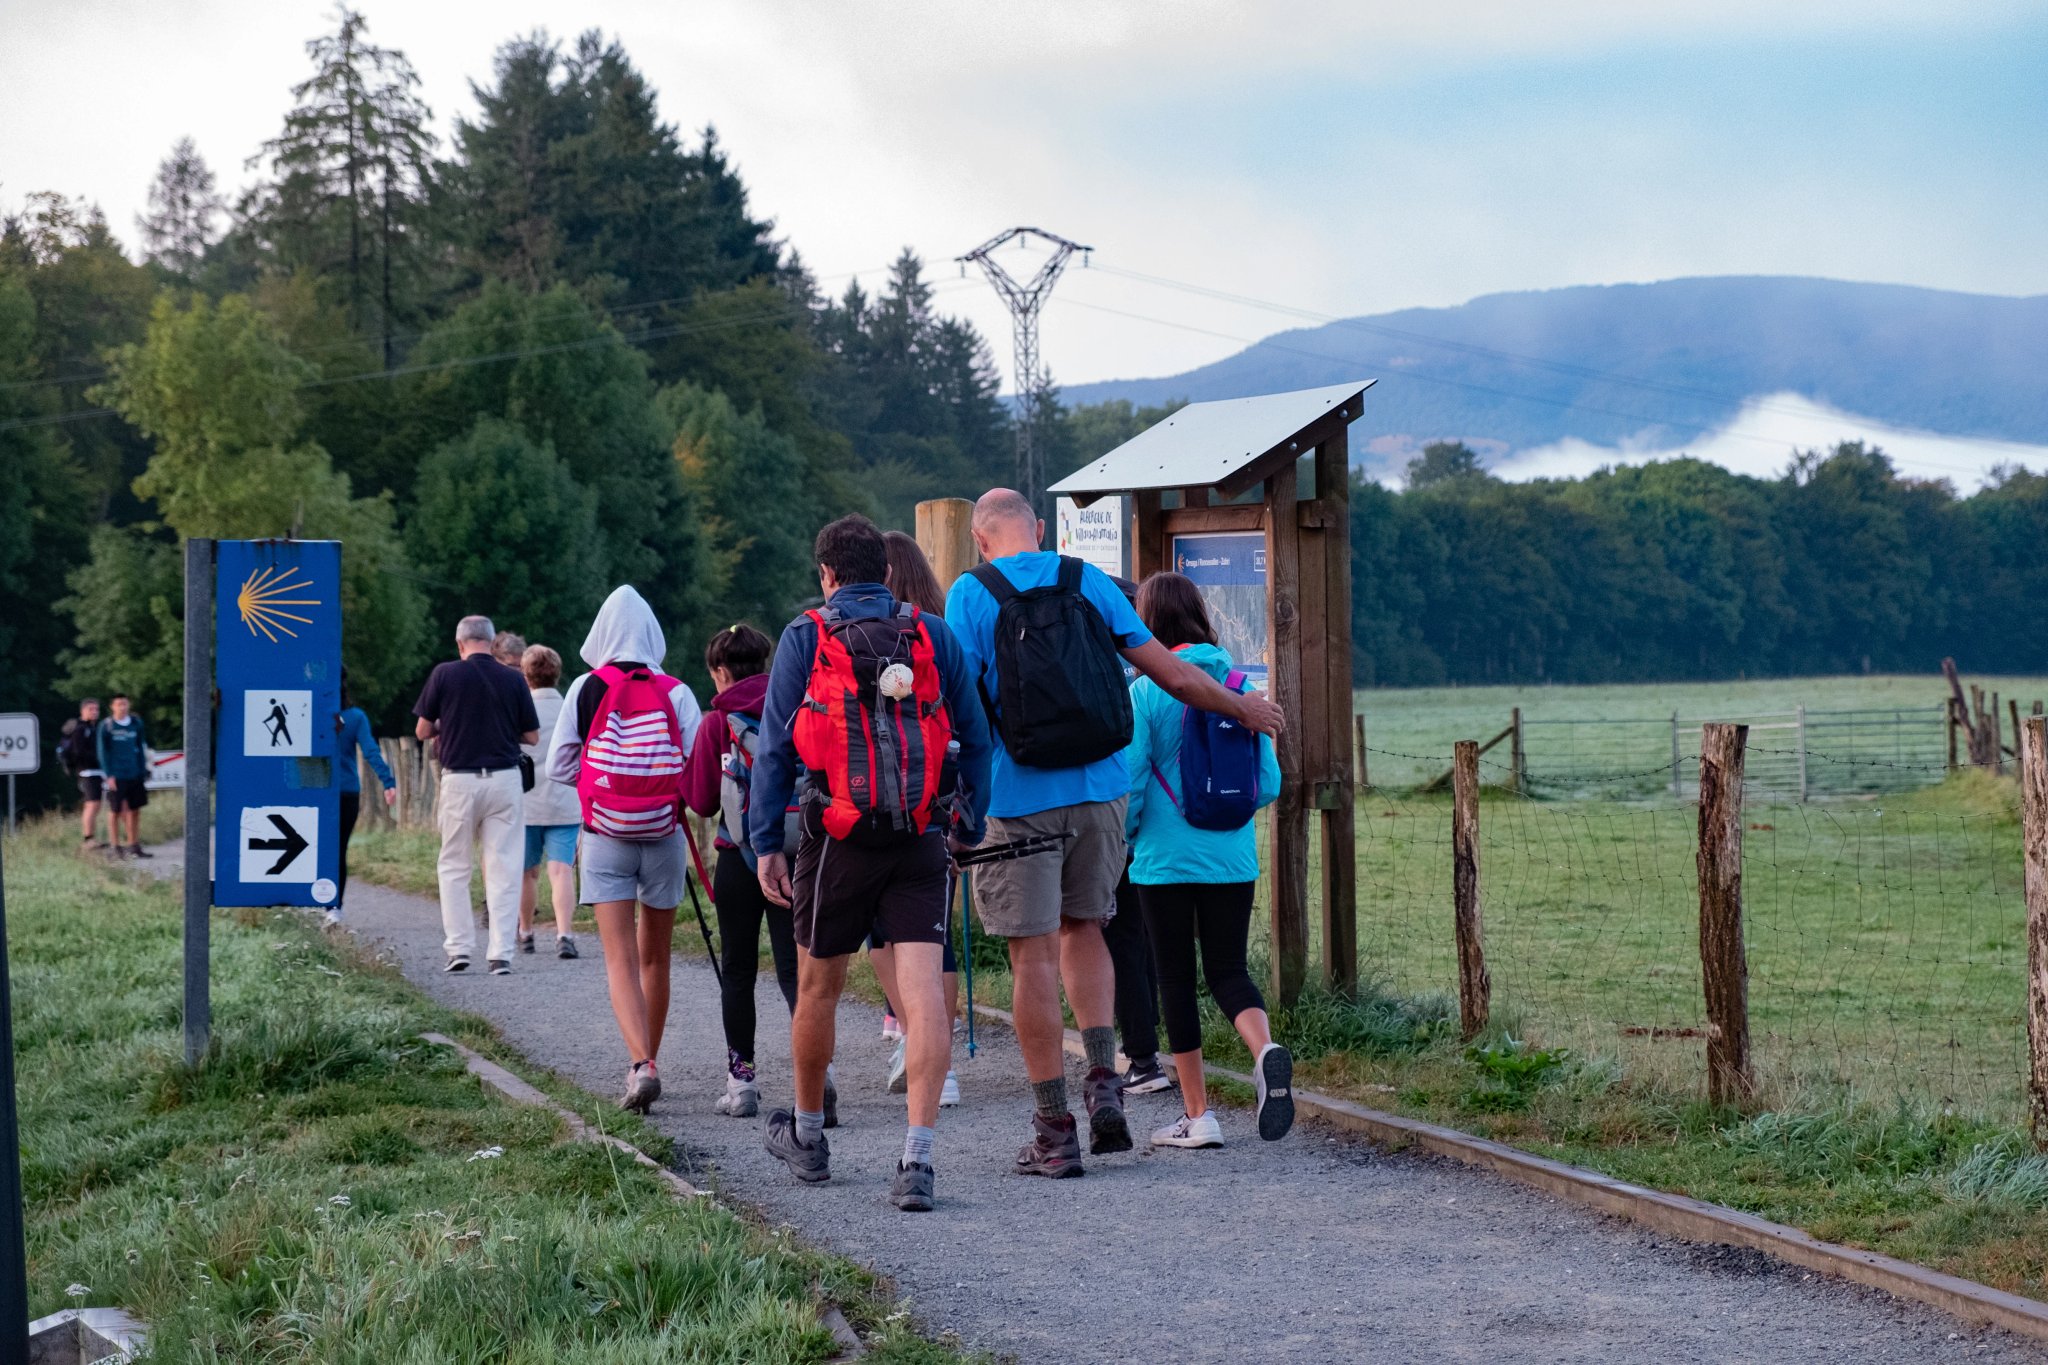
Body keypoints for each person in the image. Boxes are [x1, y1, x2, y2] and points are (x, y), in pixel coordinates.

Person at [943, 489, 1283, 1177]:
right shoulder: (1090, 581)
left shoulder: (970, 594)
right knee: (1086, 929)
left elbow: (960, 709)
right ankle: (1105, 1082)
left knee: (1033, 957)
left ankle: (1053, 1127)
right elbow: (1174, 674)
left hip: (1017, 798)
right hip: (1100, 792)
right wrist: (1242, 707)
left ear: (981, 540)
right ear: (1039, 530)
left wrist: (959, 806)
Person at [752, 514, 994, 1212]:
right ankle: (917, 1160)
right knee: (923, 997)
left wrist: (766, 841)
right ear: (886, 573)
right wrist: (968, 823)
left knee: (818, 988)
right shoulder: (932, 633)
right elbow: (976, 738)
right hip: (919, 835)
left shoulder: (805, 635)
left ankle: (807, 1136)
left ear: (826, 574)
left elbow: (775, 749)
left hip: (836, 838)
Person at [1123, 572, 1290, 1148]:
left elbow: (1134, 781)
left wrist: (1129, 835)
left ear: (1149, 623)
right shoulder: (1241, 687)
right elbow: (1269, 784)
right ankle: (1264, 1050)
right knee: (1228, 970)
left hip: (1163, 860)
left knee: (1174, 978)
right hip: (1232, 859)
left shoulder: (1147, 691)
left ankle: (1199, 1116)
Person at [546, 586, 704, 1114]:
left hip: (605, 836)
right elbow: (694, 765)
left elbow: (558, 765)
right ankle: (650, 1057)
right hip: (664, 834)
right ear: (653, 635)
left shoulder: (585, 687)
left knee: (620, 959)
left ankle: (641, 1065)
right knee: (655, 957)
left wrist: (601, 787)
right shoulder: (677, 691)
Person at [682, 623, 799, 1118]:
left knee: (737, 969)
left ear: (720, 670)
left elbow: (702, 801)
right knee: (798, 969)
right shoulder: (793, 705)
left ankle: (742, 1079)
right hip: (796, 853)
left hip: (738, 856)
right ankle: (819, 1074)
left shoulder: (717, 722)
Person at [874, 529, 963, 1107]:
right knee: (936, 933)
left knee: (880, 930)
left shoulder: (863, 635)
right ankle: (940, 1061)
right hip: (941, 798)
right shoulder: (941, 630)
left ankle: (914, 1041)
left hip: (874, 802)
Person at [414, 615, 540, 977]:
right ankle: (501, 953)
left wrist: (449, 723)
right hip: (503, 780)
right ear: (491, 641)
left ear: (460, 644)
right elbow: (532, 737)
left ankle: (458, 948)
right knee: (504, 865)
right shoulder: (513, 678)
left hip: (460, 780)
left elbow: (422, 730)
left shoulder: (444, 674)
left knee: (454, 865)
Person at [519, 644, 580, 959]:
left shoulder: (520, 707)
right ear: (557, 673)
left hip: (526, 802)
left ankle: (526, 932)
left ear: (525, 674)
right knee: (561, 870)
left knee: (527, 872)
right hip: (565, 801)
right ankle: (564, 934)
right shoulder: (570, 707)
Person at [332, 671, 397, 927]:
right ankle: (333, 907)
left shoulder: (309, 712)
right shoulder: (355, 717)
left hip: (315, 792)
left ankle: (316, 899)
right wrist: (387, 781)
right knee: (339, 850)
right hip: (346, 791)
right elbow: (370, 750)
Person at [96, 694, 151, 858]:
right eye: (119, 704)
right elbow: (102, 751)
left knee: (135, 809)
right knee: (115, 810)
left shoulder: (136, 724)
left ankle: (133, 844)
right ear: (112, 706)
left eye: (125, 704)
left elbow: (141, 747)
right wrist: (109, 774)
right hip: (116, 774)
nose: (122, 707)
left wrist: (143, 769)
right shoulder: (107, 725)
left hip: (134, 772)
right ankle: (115, 846)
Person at [58, 698, 107, 851]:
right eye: (91, 709)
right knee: (92, 804)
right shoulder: (80, 729)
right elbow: (78, 751)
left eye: (96, 709)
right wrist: (96, 758)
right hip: (87, 771)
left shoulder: (94, 728)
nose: (94, 712)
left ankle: (92, 838)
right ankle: (88, 839)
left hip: (95, 770)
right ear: (83, 711)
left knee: (95, 804)